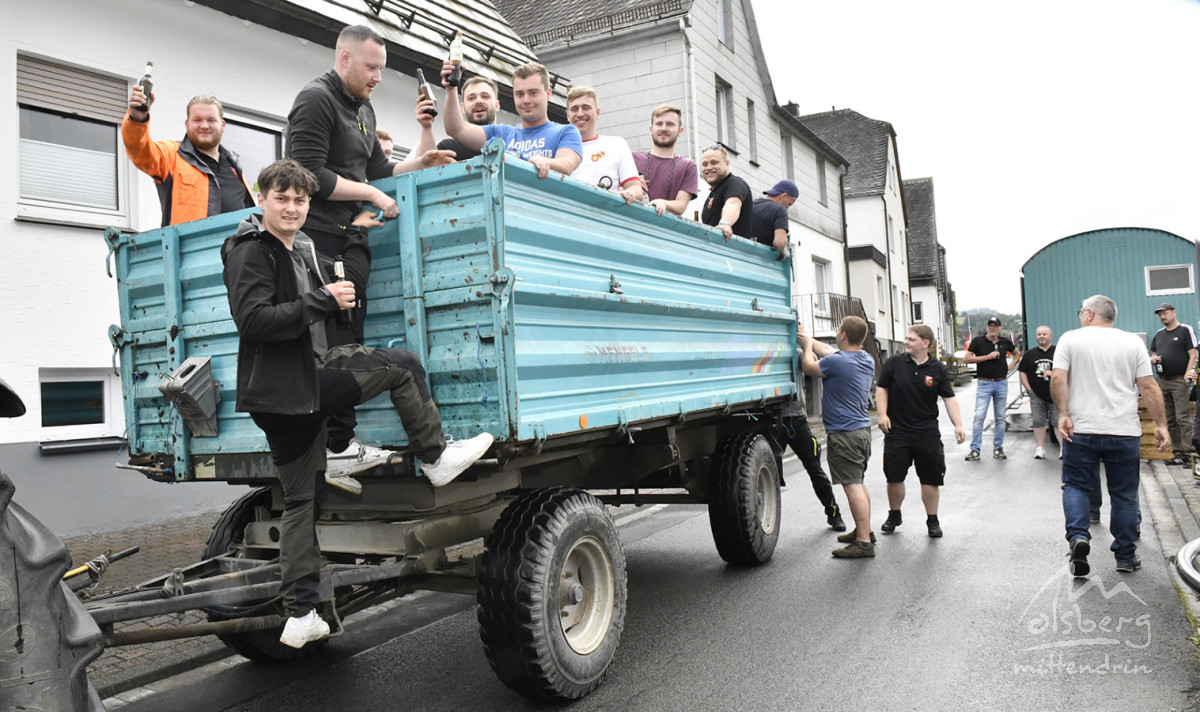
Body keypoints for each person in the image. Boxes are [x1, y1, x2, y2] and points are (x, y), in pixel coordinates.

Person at [221, 159, 494, 648]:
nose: (291, 207)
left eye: (300, 200)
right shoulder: (251, 252)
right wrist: (323, 300)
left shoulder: (298, 246)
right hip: (296, 387)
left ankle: (301, 615)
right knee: (403, 365)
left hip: (289, 390)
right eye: (281, 198)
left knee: (302, 502)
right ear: (262, 200)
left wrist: (353, 231)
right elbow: (255, 322)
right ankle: (434, 457)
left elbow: (342, 285)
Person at [286, 25, 454, 474]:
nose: (379, 76)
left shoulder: (364, 109)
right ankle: (338, 446)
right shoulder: (316, 99)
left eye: (381, 68)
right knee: (337, 342)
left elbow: (378, 171)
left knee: (352, 335)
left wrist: (421, 161)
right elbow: (307, 175)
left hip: (348, 239)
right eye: (372, 67)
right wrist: (375, 197)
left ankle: (344, 444)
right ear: (344, 59)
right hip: (317, 242)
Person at [1051, 295, 1169, 577]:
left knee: (1076, 486)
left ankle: (1079, 538)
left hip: (1082, 428)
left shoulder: (1070, 339)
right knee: (1125, 494)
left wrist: (1063, 415)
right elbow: (1148, 386)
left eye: (1082, 311)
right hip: (1123, 431)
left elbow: (1057, 378)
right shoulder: (1132, 342)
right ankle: (1126, 556)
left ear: (1090, 314)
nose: (1080, 315)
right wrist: (1162, 424)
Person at [876, 325, 966, 539]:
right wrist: (882, 414)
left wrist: (958, 424)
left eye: (911, 339)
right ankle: (894, 514)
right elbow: (882, 388)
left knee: (930, 480)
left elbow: (949, 398)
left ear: (925, 343)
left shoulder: (937, 369)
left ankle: (932, 520)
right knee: (894, 477)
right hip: (897, 431)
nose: (906, 342)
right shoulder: (894, 363)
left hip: (926, 432)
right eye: (906, 338)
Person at [122, 89, 254, 227]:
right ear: (187, 124)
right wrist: (137, 120)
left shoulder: (234, 167)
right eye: (197, 120)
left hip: (239, 248)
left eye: (211, 120)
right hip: (191, 248)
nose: (204, 126)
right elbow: (140, 151)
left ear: (223, 125)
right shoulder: (171, 155)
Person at [801, 317, 876, 558]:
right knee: (859, 483)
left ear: (843, 335)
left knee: (852, 486)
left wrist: (807, 348)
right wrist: (806, 338)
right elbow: (830, 351)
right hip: (862, 432)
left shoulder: (836, 362)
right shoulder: (865, 358)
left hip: (845, 435)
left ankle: (863, 543)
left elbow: (809, 367)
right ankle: (865, 530)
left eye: (838, 330)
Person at [441, 61, 582, 178]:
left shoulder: (566, 131)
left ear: (548, 93)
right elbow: (456, 128)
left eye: (533, 93)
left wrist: (543, 162)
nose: (526, 100)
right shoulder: (499, 133)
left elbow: (567, 165)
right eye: (519, 94)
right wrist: (451, 88)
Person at [776, 322, 845, 532]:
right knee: (767, 474)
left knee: (815, 469)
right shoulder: (791, 350)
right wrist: (805, 341)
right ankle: (834, 516)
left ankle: (834, 513)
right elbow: (813, 361)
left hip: (794, 420)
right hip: (778, 421)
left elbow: (813, 363)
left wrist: (804, 344)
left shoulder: (795, 351)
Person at [566, 86, 643, 204]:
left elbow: (636, 189)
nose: (580, 114)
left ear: (597, 113)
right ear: (568, 115)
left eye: (586, 107)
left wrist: (627, 194)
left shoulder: (617, 145)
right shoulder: (558, 148)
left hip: (605, 218)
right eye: (574, 109)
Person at [963, 317, 1020, 460]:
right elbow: (967, 358)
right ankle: (975, 449)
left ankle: (998, 448)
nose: (992, 328)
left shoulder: (1005, 341)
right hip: (984, 383)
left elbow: (1017, 354)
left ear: (1000, 328)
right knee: (979, 416)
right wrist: (987, 357)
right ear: (987, 328)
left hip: (1001, 383)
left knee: (1000, 417)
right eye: (990, 326)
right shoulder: (978, 341)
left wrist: (1009, 367)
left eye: (995, 326)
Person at [1149, 303, 1197, 466]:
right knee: (1169, 419)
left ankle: (1190, 453)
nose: (1162, 317)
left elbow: (1193, 354)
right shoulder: (1159, 334)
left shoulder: (1185, 330)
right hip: (1162, 381)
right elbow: (1154, 353)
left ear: (1173, 312)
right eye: (1160, 314)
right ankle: (1179, 453)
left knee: (1183, 417)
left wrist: (1187, 376)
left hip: (1179, 381)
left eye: (1165, 313)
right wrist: (1153, 359)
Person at [631, 105, 699, 217]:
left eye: (670, 124)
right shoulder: (632, 158)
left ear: (680, 131)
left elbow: (681, 205)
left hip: (665, 230)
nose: (663, 128)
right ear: (651, 129)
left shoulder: (688, 166)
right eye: (659, 124)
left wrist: (662, 203)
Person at [1018, 325, 1062, 459]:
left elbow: (1066, 371)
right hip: (1036, 395)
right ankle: (1040, 448)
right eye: (1039, 334)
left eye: (1044, 334)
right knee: (1038, 421)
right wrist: (1028, 389)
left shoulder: (1059, 352)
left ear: (1050, 336)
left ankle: (1063, 449)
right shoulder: (1030, 354)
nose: (1041, 336)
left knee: (1057, 421)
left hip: (1055, 394)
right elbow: (1022, 372)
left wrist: (1053, 373)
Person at [436, 76, 501, 161]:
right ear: (462, 108)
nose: (478, 101)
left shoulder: (512, 146)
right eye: (471, 98)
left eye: (485, 96)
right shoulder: (448, 149)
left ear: (497, 105)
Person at [699, 145, 754, 240]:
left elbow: (733, 203)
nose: (708, 167)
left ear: (727, 164)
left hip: (732, 251)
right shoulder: (714, 192)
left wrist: (725, 223)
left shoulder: (735, 184)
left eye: (714, 162)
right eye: (705, 164)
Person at [749, 180, 796, 258]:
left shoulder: (751, 205)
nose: (787, 208)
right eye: (789, 204)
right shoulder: (780, 210)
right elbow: (779, 243)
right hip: (763, 261)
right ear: (784, 196)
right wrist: (783, 249)